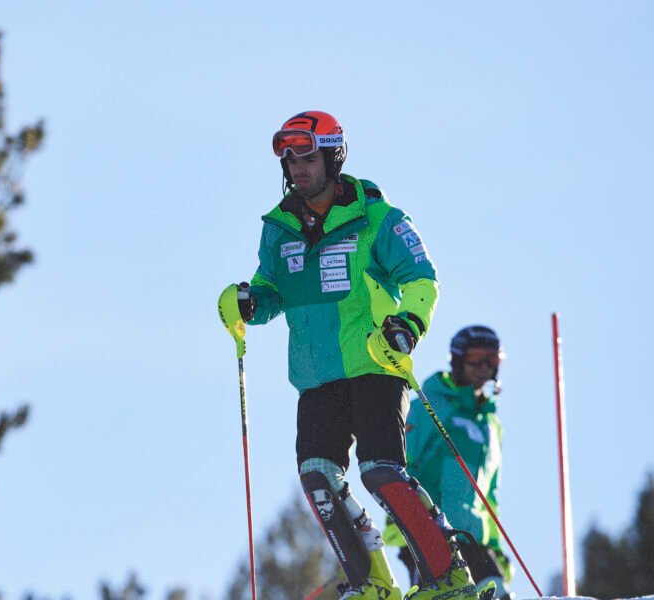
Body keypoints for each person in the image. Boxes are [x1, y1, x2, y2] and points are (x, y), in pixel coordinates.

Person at [218, 111, 480, 600]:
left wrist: (409, 323)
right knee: (318, 476)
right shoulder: (278, 229)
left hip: (373, 361)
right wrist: (248, 303)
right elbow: (271, 288)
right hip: (316, 374)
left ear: (334, 155)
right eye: (289, 157)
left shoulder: (377, 218)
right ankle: (373, 583)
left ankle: (449, 576)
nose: (297, 167)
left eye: (308, 156)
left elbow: (422, 276)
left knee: (380, 469)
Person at [385, 326, 513, 600]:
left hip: (473, 537)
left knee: (498, 593)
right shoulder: (429, 407)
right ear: (457, 359)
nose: (484, 367)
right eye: (476, 357)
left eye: (492, 358)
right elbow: (399, 464)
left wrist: (495, 545)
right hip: (431, 533)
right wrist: (402, 525)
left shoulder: (491, 426)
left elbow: (488, 495)